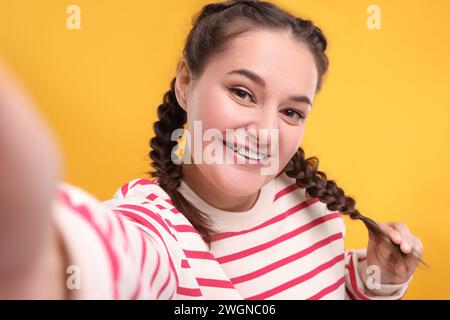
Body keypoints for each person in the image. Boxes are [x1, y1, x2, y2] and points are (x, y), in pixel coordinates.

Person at [0, 0, 423, 300]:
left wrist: (376, 278)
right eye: (242, 92)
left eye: (292, 112)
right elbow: (111, 261)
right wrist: (35, 245)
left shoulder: (311, 200)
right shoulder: (158, 229)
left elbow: (325, 282)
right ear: (186, 82)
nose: (264, 131)